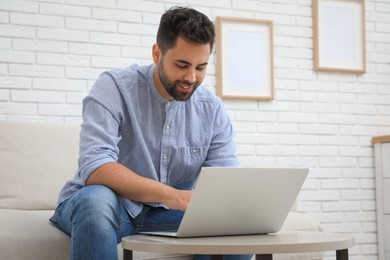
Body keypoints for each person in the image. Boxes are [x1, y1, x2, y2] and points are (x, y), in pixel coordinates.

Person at [51, 6, 251, 260]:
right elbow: (96, 166)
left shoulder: (211, 110)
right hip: (110, 208)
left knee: (238, 233)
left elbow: (226, 182)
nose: (191, 77)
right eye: (182, 65)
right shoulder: (114, 87)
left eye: (201, 67)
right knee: (97, 199)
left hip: (166, 215)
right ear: (157, 53)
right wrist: (173, 196)